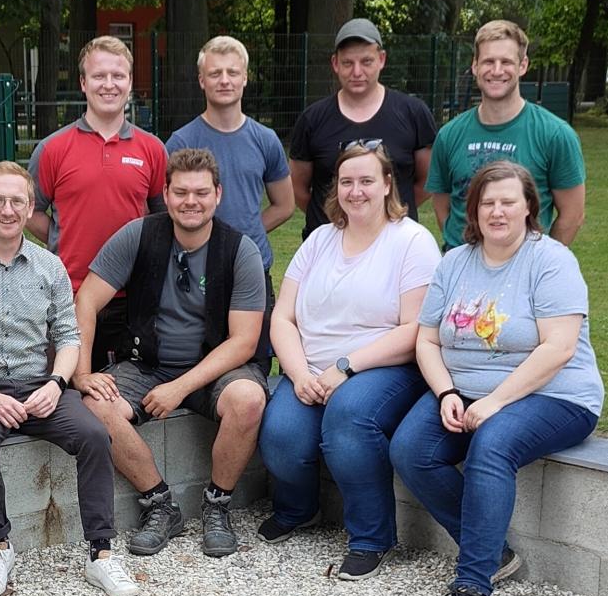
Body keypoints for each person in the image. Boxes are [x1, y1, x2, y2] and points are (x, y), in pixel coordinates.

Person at [390, 161, 603, 596]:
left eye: (508, 201)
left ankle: (472, 583)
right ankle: (495, 553)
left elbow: (558, 348)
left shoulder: (551, 260)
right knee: (410, 450)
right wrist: (446, 390)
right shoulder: (454, 262)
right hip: (465, 389)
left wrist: (495, 402)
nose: (497, 211)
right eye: (487, 202)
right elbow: (426, 341)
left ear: (530, 207)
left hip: (555, 393)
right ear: (474, 210)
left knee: (492, 445)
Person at [0, 161, 138, 596]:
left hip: (40, 387)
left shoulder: (50, 267)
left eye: (17, 201)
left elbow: (68, 335)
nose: (7, 209)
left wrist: (57, 384)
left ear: (29, 209)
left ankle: (101, 553)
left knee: (95, 435)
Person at [257, 143, 441, 579]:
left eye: (366, 181)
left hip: (383, 367)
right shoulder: (320, 239)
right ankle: (299, 510)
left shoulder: (412, 242)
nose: (355, 191)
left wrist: (344, 367)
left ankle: (371, 538)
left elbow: (416, 328)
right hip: (311, 368)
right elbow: (282, 315)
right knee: (281, 437)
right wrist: (300, 373)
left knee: (348, 419)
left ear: (387, 185)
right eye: (346, 182)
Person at [73, 147, 267, 559]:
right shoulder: (139, 234)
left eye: (200, 193)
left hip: (216, 367)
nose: (190, 202)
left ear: (218, 194)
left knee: (249, 399)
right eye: (180, 193)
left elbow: (244, 342)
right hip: (147, 363)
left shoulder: (240, 250)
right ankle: (159, 504)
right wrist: (81, 372)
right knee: (93, 405)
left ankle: (217, 505)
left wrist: (179, 388)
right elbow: (86, 301)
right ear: (166, 193)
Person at [28, 35, 168, 365]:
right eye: (99, 76)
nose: (109, 84)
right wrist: (61, 236)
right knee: (69, 391)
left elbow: (163, 217)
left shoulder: (152, 149)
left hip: (131, 297)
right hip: (69, 295)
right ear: (82, 82)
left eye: (118, 76)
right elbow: (30, 211)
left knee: (125, 395)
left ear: (130, 82)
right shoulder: (52, 149)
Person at [166, 35, 294, 361]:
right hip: (195, 270)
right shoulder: (182, 141)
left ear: (245, 78)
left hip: (251, 269)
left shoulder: (265, 140)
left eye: (232, 73)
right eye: (215, 73)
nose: (224, 80)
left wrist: (242, 236)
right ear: (201, 80)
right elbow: (168, 205)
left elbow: (285, 205)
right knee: (194, 360)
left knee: (255, 361)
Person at [428, 20, 586, 251]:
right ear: (474, 66)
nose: (497, 71)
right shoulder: (449, 135)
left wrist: (540, 261)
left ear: (523, 66)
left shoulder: (556, 135)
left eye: (507, 62)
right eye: (488, 61)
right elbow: (443, 206)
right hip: (462, 272)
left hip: (525, 273)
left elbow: (572, 215)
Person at [288, 18, 437, 241]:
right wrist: (336, 214)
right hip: (330, 243)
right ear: (335, 64)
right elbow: (298, 189)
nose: (357, 72)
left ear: (381, 59)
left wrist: (388, 209)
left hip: (395, 243)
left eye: (366, 61)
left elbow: (427, 181)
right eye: (348, 63)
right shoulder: (313, 119)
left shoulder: (413, 113)